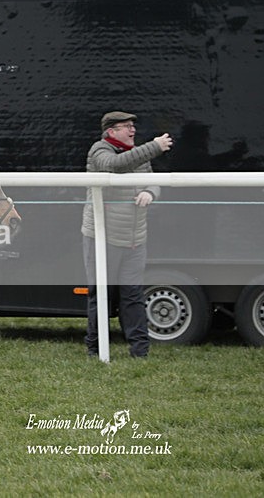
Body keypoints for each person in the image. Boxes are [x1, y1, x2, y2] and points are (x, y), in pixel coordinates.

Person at [81, 111, 174, 358]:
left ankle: (140, 351)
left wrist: (150, 192)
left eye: (133, 126)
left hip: (136, 240)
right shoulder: (99, 150)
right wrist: (154, 146)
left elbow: (151, 180)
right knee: (101, 294)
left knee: (133, 295)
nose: (132, 130)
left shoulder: (138, 153)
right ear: (111, 131)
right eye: (126, 126)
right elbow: (115, 166)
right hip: (102, 238)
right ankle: (95, 349)